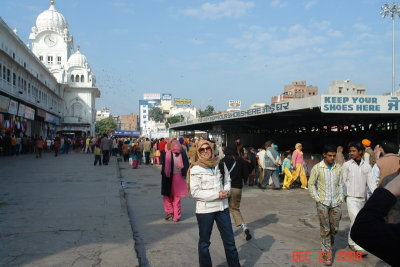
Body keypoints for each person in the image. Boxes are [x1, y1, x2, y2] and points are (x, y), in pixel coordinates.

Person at [189, 140, 240, 267]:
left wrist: (227, 191)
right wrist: (217, 194)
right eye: (202, 149)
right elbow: (195, 192)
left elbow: (227, 180)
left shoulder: (220, 165)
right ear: (199, 152)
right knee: (204, 243)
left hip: (222, 208)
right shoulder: (195, 168)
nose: (206, 151)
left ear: (212, 150)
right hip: (205, 211)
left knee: (230, 243)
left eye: (208, 149)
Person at [350, 173, 400, 267]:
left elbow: (362, 230)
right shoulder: (388, 178)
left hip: (370, 203)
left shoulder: (392, 182)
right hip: (352, 197)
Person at [308, 144, 344, 266]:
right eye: (330, 155)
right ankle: (326, 255)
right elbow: (311, 184)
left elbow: (341, 184)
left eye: (334, 155)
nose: (332, 158)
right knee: (325, 229)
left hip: (336, 203)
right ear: (324, 155)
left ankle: (328, 245)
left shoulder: (338, 168)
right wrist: (317, 198)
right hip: (323, 203)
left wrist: (340, 198)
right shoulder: (317, 168)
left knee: (334, 229)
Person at [342, 141, 376, 256]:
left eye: (353, 151)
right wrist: (343, 195)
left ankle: (351, 242)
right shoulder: (347, 165)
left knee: (355, 221)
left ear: (360, 151)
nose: (351, 153)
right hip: (351, 197)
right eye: (350, 151)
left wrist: (377, 195)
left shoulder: (366, 167)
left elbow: (371, 183)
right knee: (356, 219)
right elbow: (342, 181)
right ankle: (358, 246)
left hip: (362, 198)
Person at [220, 147, 252, 241]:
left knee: (225, 210)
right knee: (235, 209)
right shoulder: (240, 161)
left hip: (225, 189)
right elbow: (246, 174)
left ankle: (228, 232)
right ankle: (244, 227)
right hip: (237, 188)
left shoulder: (222, 161)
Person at [161, 140, 189, 222]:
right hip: (178, 178)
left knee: (166, 196)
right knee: (177, 198)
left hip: (168, 177)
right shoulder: (182, 154)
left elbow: (164, 168)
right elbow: (186, 166)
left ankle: (170, 211)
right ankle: (176, 216)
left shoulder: (167, 154)